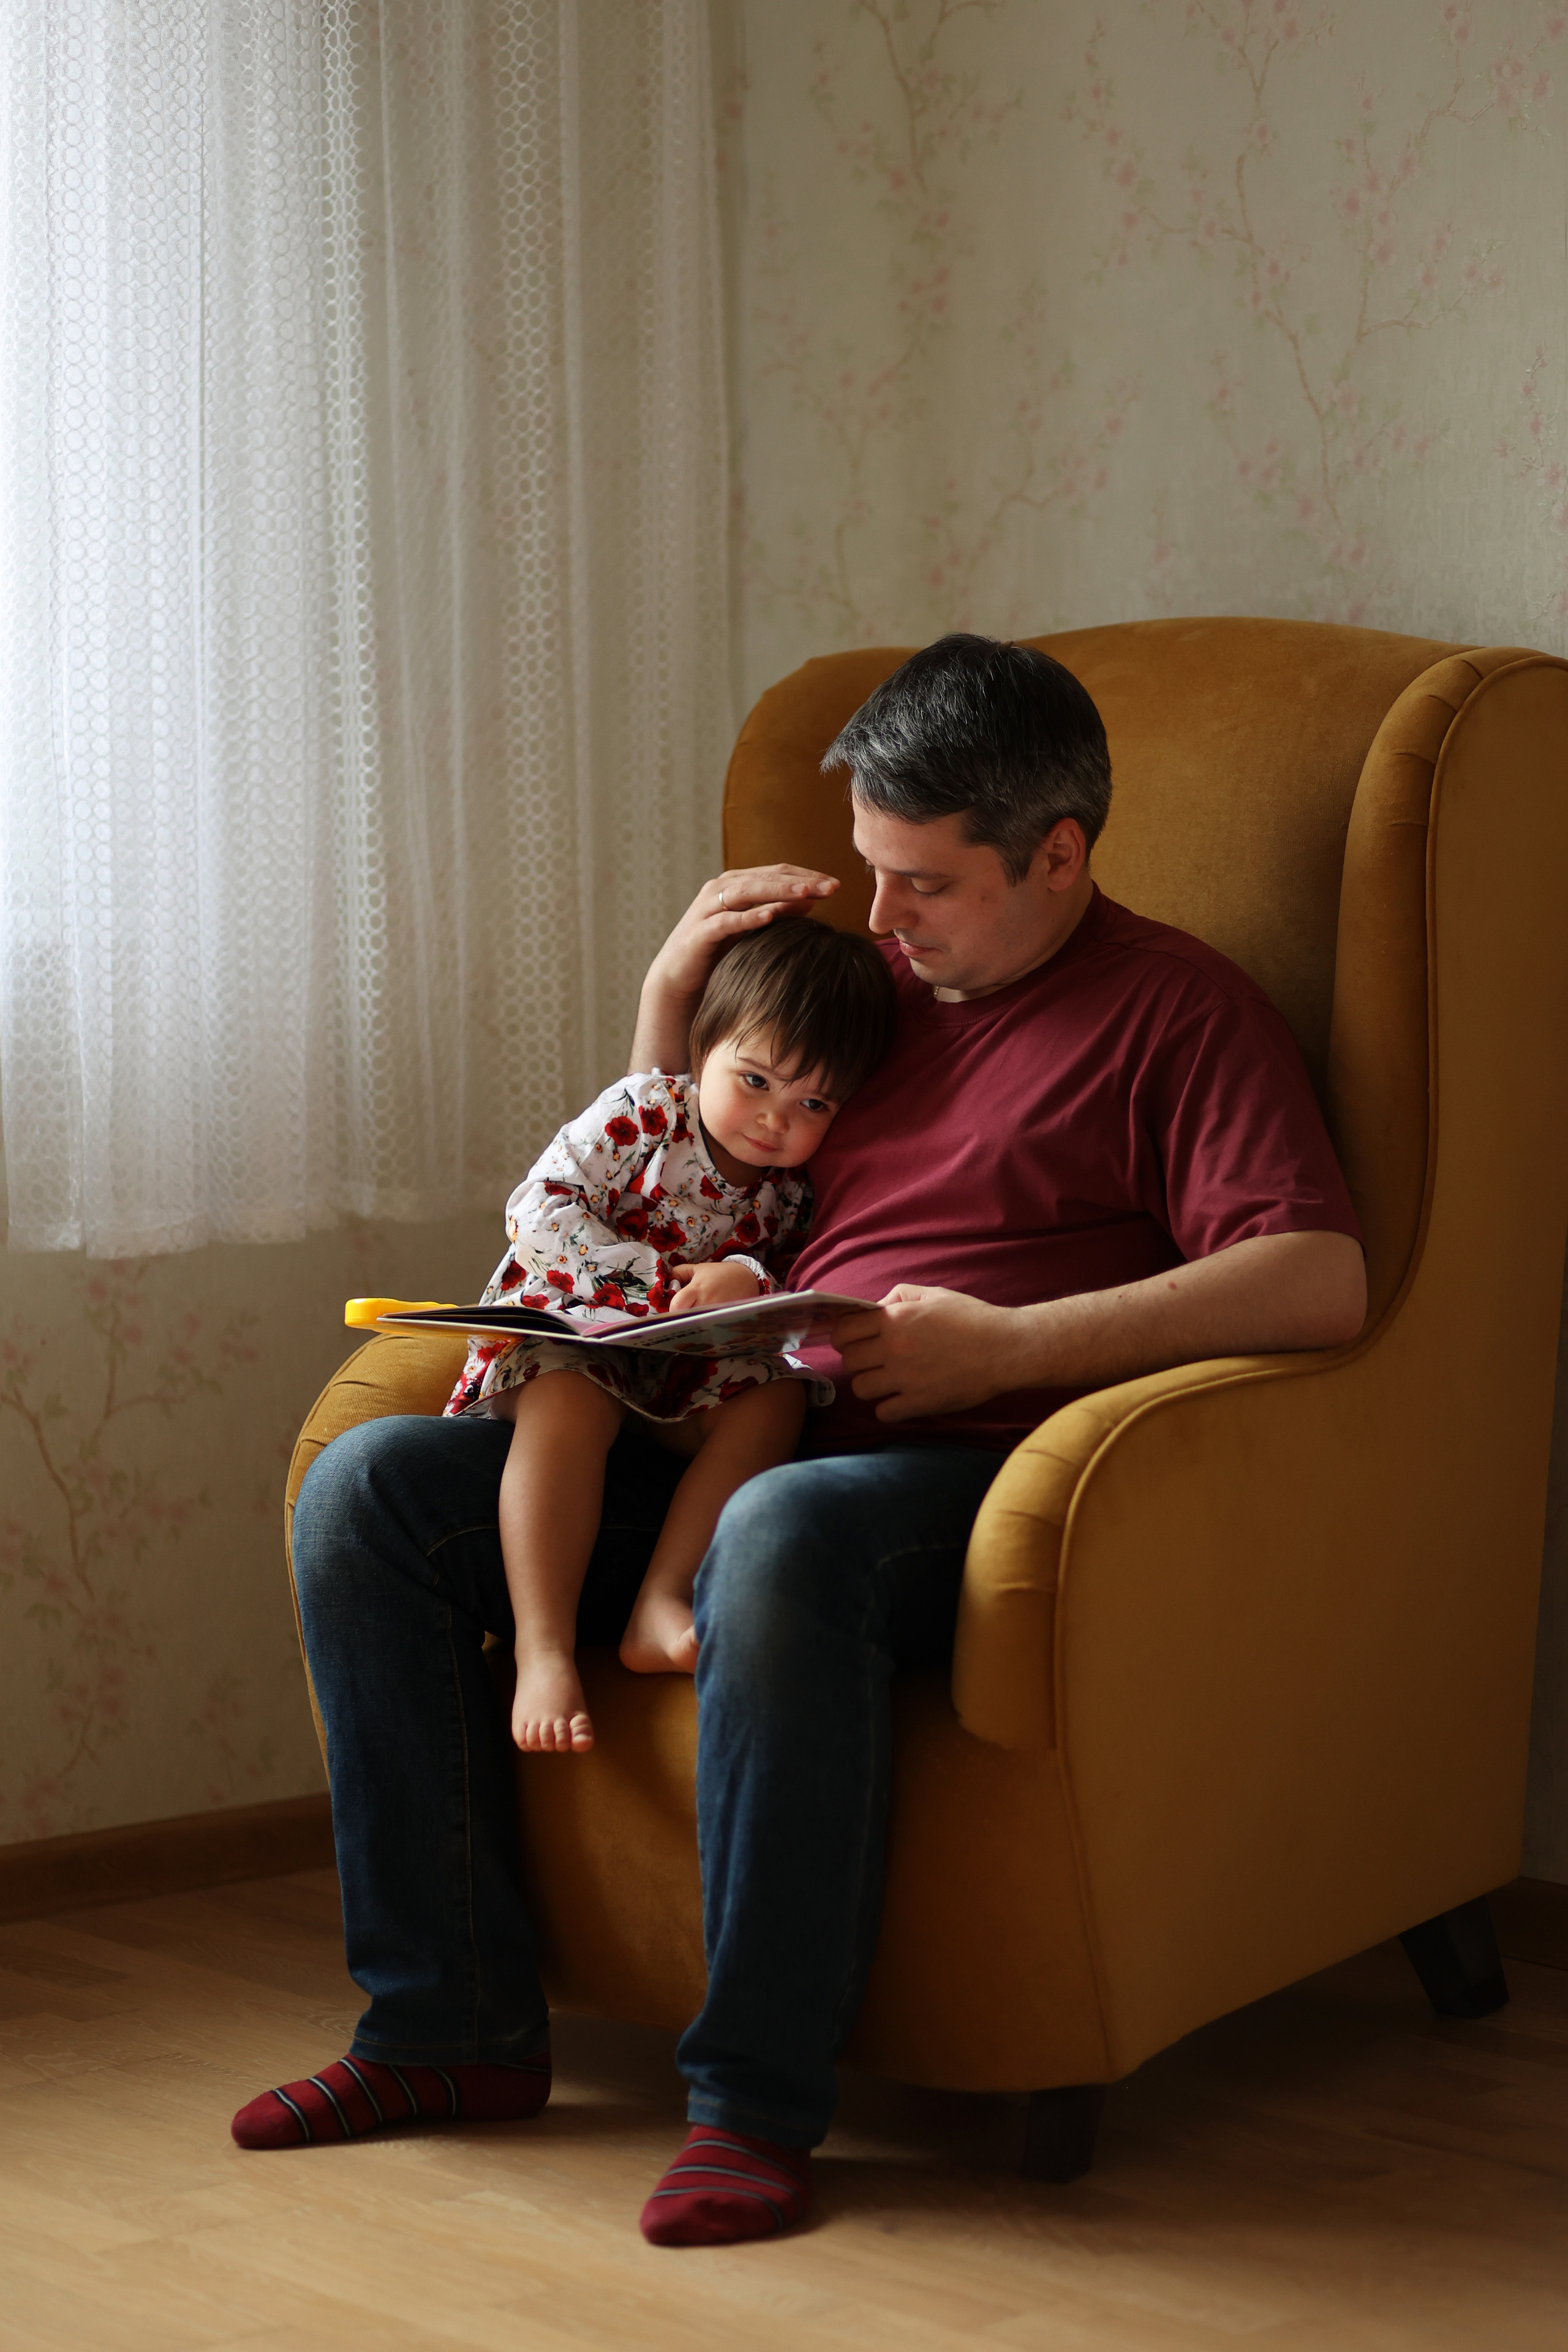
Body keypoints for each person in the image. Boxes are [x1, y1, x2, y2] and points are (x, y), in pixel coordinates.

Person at [232, 635, 1366, 2252]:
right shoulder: (862, 999)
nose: (882, 919)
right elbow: (682, 1170)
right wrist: (668, 1004)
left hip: (960, 1479)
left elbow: (1319, 1277)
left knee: (787, 1531)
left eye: (925, 884)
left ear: (1059, 856)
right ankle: (444, 2033)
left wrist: (1017, 1344)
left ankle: (752, 2107)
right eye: (869, 873)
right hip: (726, 1426)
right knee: (375, 1495)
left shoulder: (1181, 1016)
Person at [443, 919, 896, 1754]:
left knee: (777, 1399)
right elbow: (535, 1209)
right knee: (570, 1399)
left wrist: (751, 1283)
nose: (773, 1118)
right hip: (571, 1339)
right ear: (705, 1044)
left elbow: (792, 1290)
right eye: (754, 1079)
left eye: (813, 1103)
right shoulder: (646, 1113)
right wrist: (645, 1284)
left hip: (676, 1374)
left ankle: (663, 1598)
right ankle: (542, 1650)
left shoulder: (791, 1191)